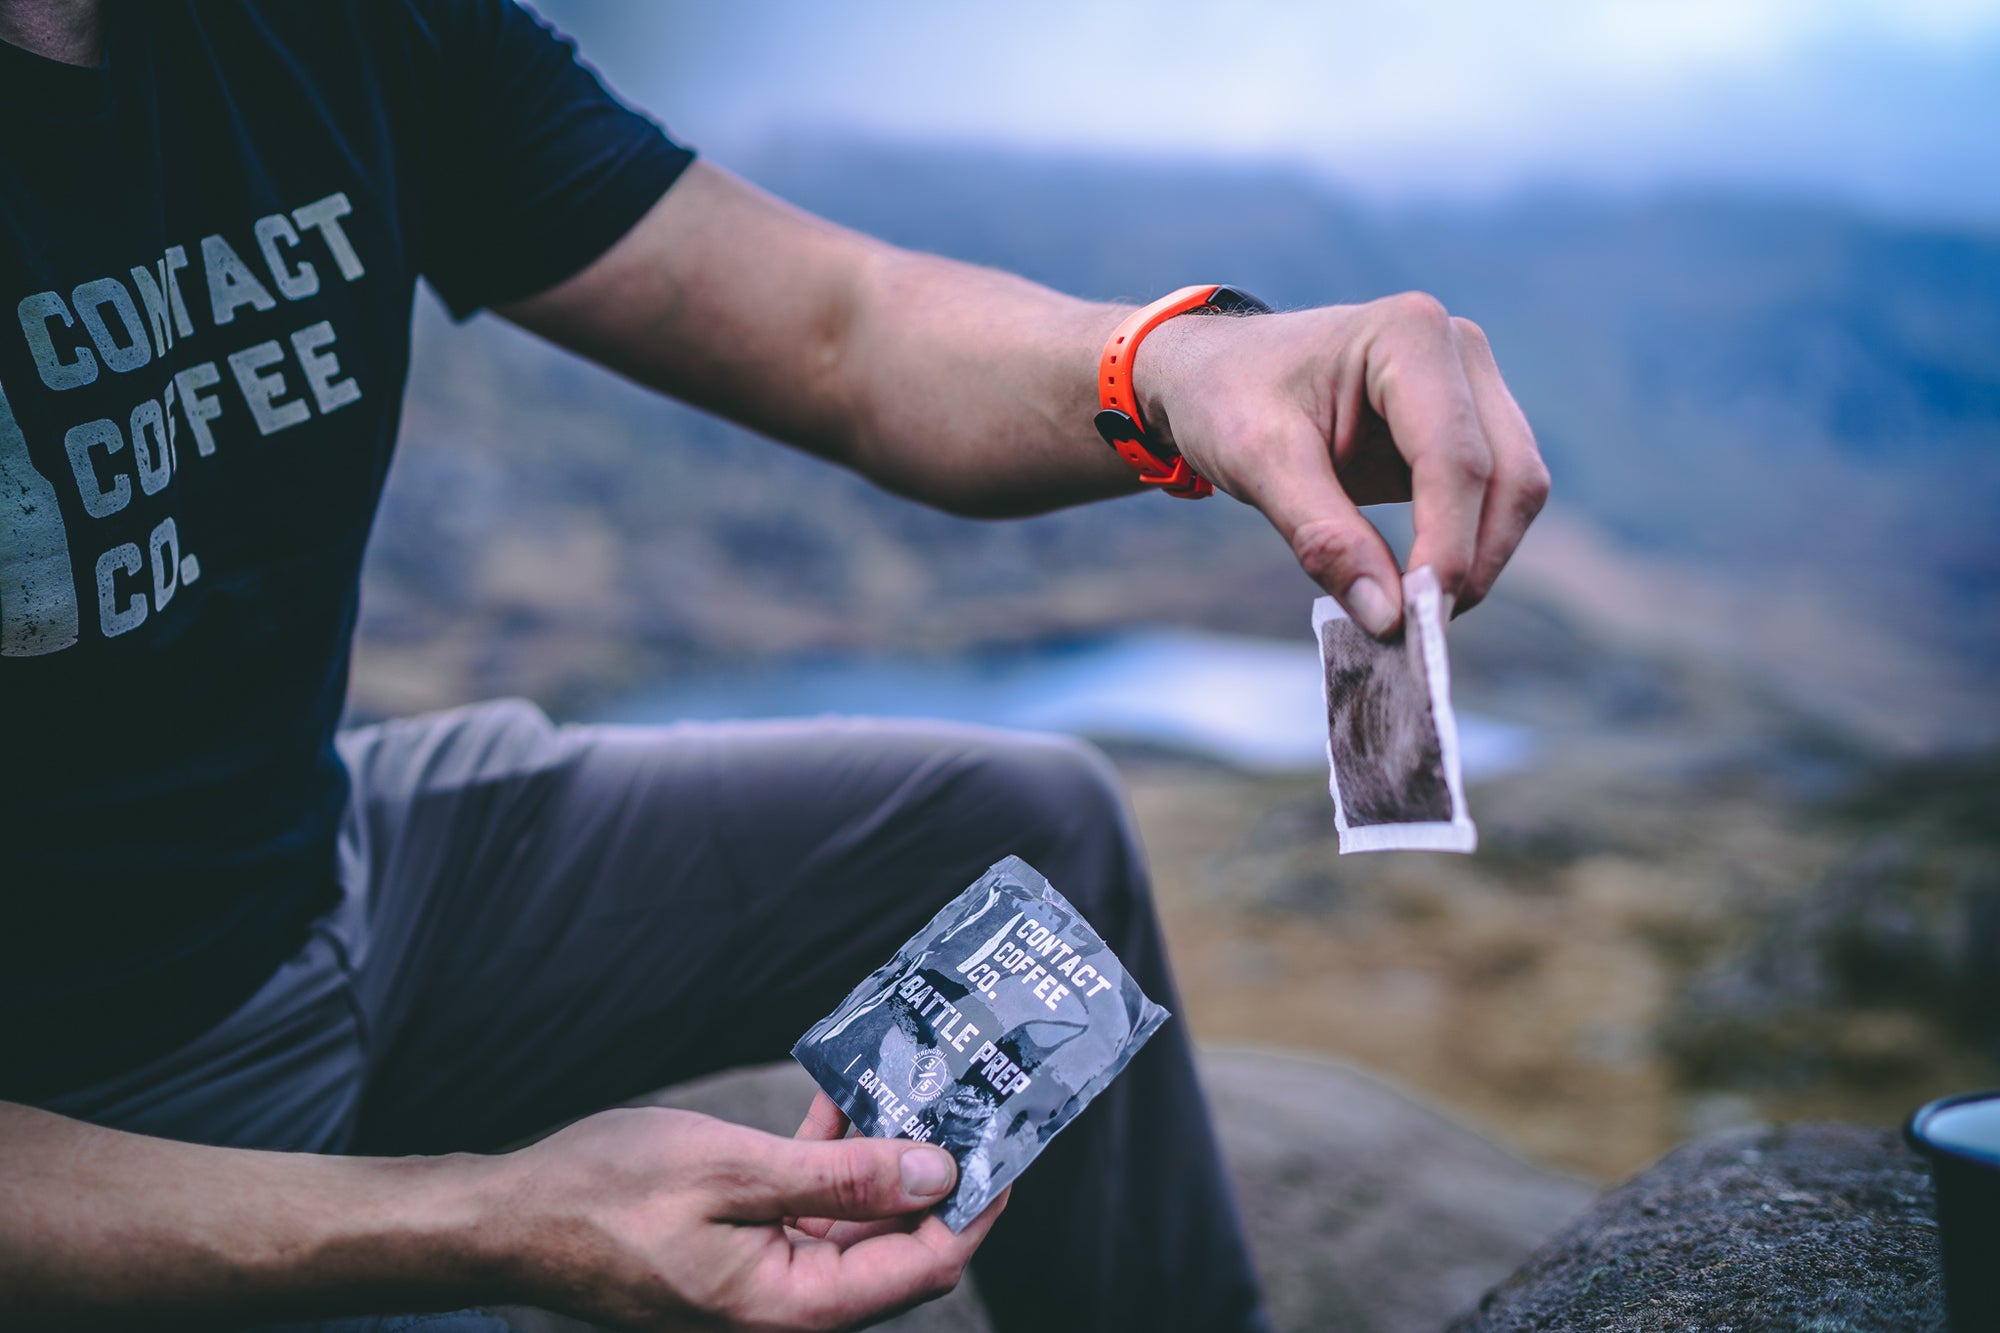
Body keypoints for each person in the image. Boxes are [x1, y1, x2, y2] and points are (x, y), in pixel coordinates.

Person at [0, 1, 1550, 1330]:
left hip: (328, 869)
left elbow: (838, 328)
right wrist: (486, 1214)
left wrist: (1174, 360)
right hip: (91, 1120)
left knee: (1029, 834)